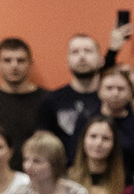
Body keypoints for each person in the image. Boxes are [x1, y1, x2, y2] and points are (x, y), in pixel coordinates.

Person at [42, 28, 129, 160]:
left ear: (101, 60)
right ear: (67, 61)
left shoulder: (114, 98)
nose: (82, 56)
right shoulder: (51, 100)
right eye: (75, 52)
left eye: (88, 51)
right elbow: (43, 146)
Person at [67, 117, 129, 194]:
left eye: (106, 138)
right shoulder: (67, 178)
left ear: (114, 144)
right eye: (93, 136)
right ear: (83, 140)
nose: (98, 143)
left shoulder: (126, 181)